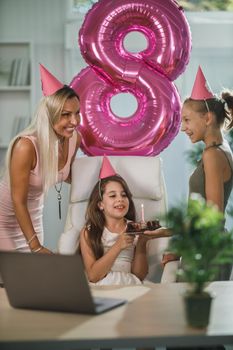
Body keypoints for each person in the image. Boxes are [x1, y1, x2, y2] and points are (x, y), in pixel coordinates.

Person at [0, 64, 81, 253]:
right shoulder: (26, 146)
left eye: (77, 113)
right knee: (10, 280)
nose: (75, 121)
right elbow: (17, 200)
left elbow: (65, 174)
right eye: (66, 115)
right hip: (5, 218)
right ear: (50, 116)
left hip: (33, 217)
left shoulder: (74, 139)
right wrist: (35, 246)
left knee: (33, 278)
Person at [79, 156, 169, 285]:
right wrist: (118, 246)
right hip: (102, 288)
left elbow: (139, 275)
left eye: (124, 195)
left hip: (130, 284)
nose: (120, 199)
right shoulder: (89, 232)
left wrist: (142, 242)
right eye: (112, 195)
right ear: (100, 205)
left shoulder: (135, 228)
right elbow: (93, 276)